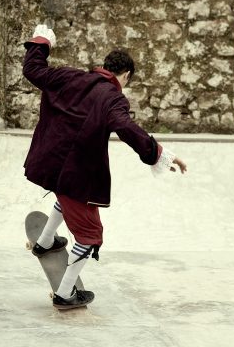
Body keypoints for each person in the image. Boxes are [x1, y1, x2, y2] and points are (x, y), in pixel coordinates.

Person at [22, 24, 187, 309]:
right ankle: (64, 294)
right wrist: (159, 155)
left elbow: (33, 70)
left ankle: (46, 242)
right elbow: (127, 128)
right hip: (75, 174)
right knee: (89, 236)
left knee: (66, 195)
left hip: (50, 165)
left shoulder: (68, 76)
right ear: (125, 75)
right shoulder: (113, 98)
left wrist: (41, 43)